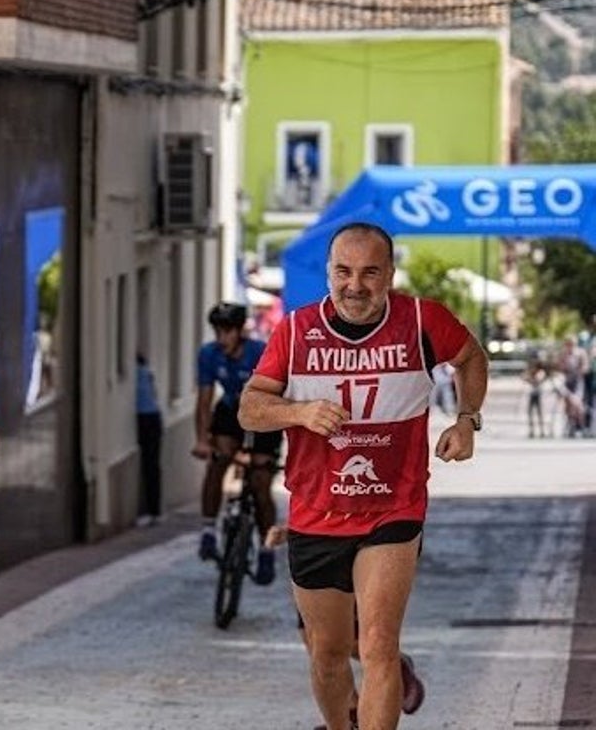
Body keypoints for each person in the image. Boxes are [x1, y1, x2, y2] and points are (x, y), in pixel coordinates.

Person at [240, 222, 487, 730]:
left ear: (390, 274)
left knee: (378, 646)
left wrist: (466, 420)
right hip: (317, 513)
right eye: (343, 272)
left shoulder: (422, 320)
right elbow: (250, 408)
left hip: (393, 510)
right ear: (328, 274)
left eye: (370, 273)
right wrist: (300, 413)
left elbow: (470, 358)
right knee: (328, 653)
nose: (355, 285)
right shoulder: (294, 331)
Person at [265, 526, 426, 728]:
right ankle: (350, 715)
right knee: (324, 646)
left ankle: (357, 713)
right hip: (317, 523)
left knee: (379, 643)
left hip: (390, 514)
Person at [192, 301, 283, 586]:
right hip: (231, 410)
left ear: (239, 331)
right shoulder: (208, 354)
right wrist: (202, 440)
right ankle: (208, 530)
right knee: (218, 461)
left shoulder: (259, 352)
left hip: (264, 411)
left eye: (228, 331)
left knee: (259, 482)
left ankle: (267, 548)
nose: (222, 337)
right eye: (217, 331)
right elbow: (205, 400)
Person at [135, 353, 163, 527]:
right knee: (152, 464)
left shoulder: (136, 374)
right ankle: (154, 509)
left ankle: (151, 510)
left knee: (149, 464)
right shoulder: (147, 372)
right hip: (154, 417)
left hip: (145, 418)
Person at [524, 357, 547, 438]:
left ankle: (542, 430)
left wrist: (530, 379)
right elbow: (524, 378)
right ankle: (531, 430)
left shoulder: (541, 372)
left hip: (539, 394)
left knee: (540, 412)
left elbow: (537, 381)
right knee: (530, 412)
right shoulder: (530, 372)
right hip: (531, 394)